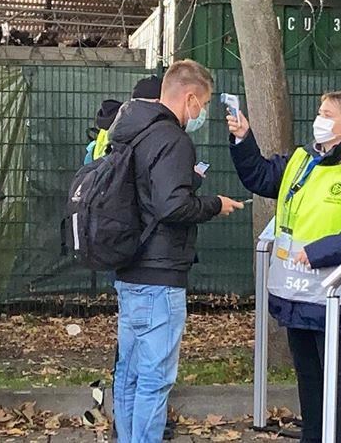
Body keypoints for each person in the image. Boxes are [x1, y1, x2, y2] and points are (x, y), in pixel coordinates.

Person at [227, 90, 341, 443]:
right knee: (308, 373)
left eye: (329, 114)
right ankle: (313, 436)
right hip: (295, 288)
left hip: (335, 290)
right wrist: (243, 139)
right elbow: (259, 177)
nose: (320, 119)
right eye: (320, 111)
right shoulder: (302, 160)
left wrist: (318, 252)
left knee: (336, 373)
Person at [108, 60, 244, 443]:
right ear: (190, 98)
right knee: (154, 379)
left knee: (130, 375)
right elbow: (172, 206)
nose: (202, 112)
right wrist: (214, 204)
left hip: (129, 268)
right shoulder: (173, 139)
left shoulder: (129, 130)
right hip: (160, 272)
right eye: (204, 102)